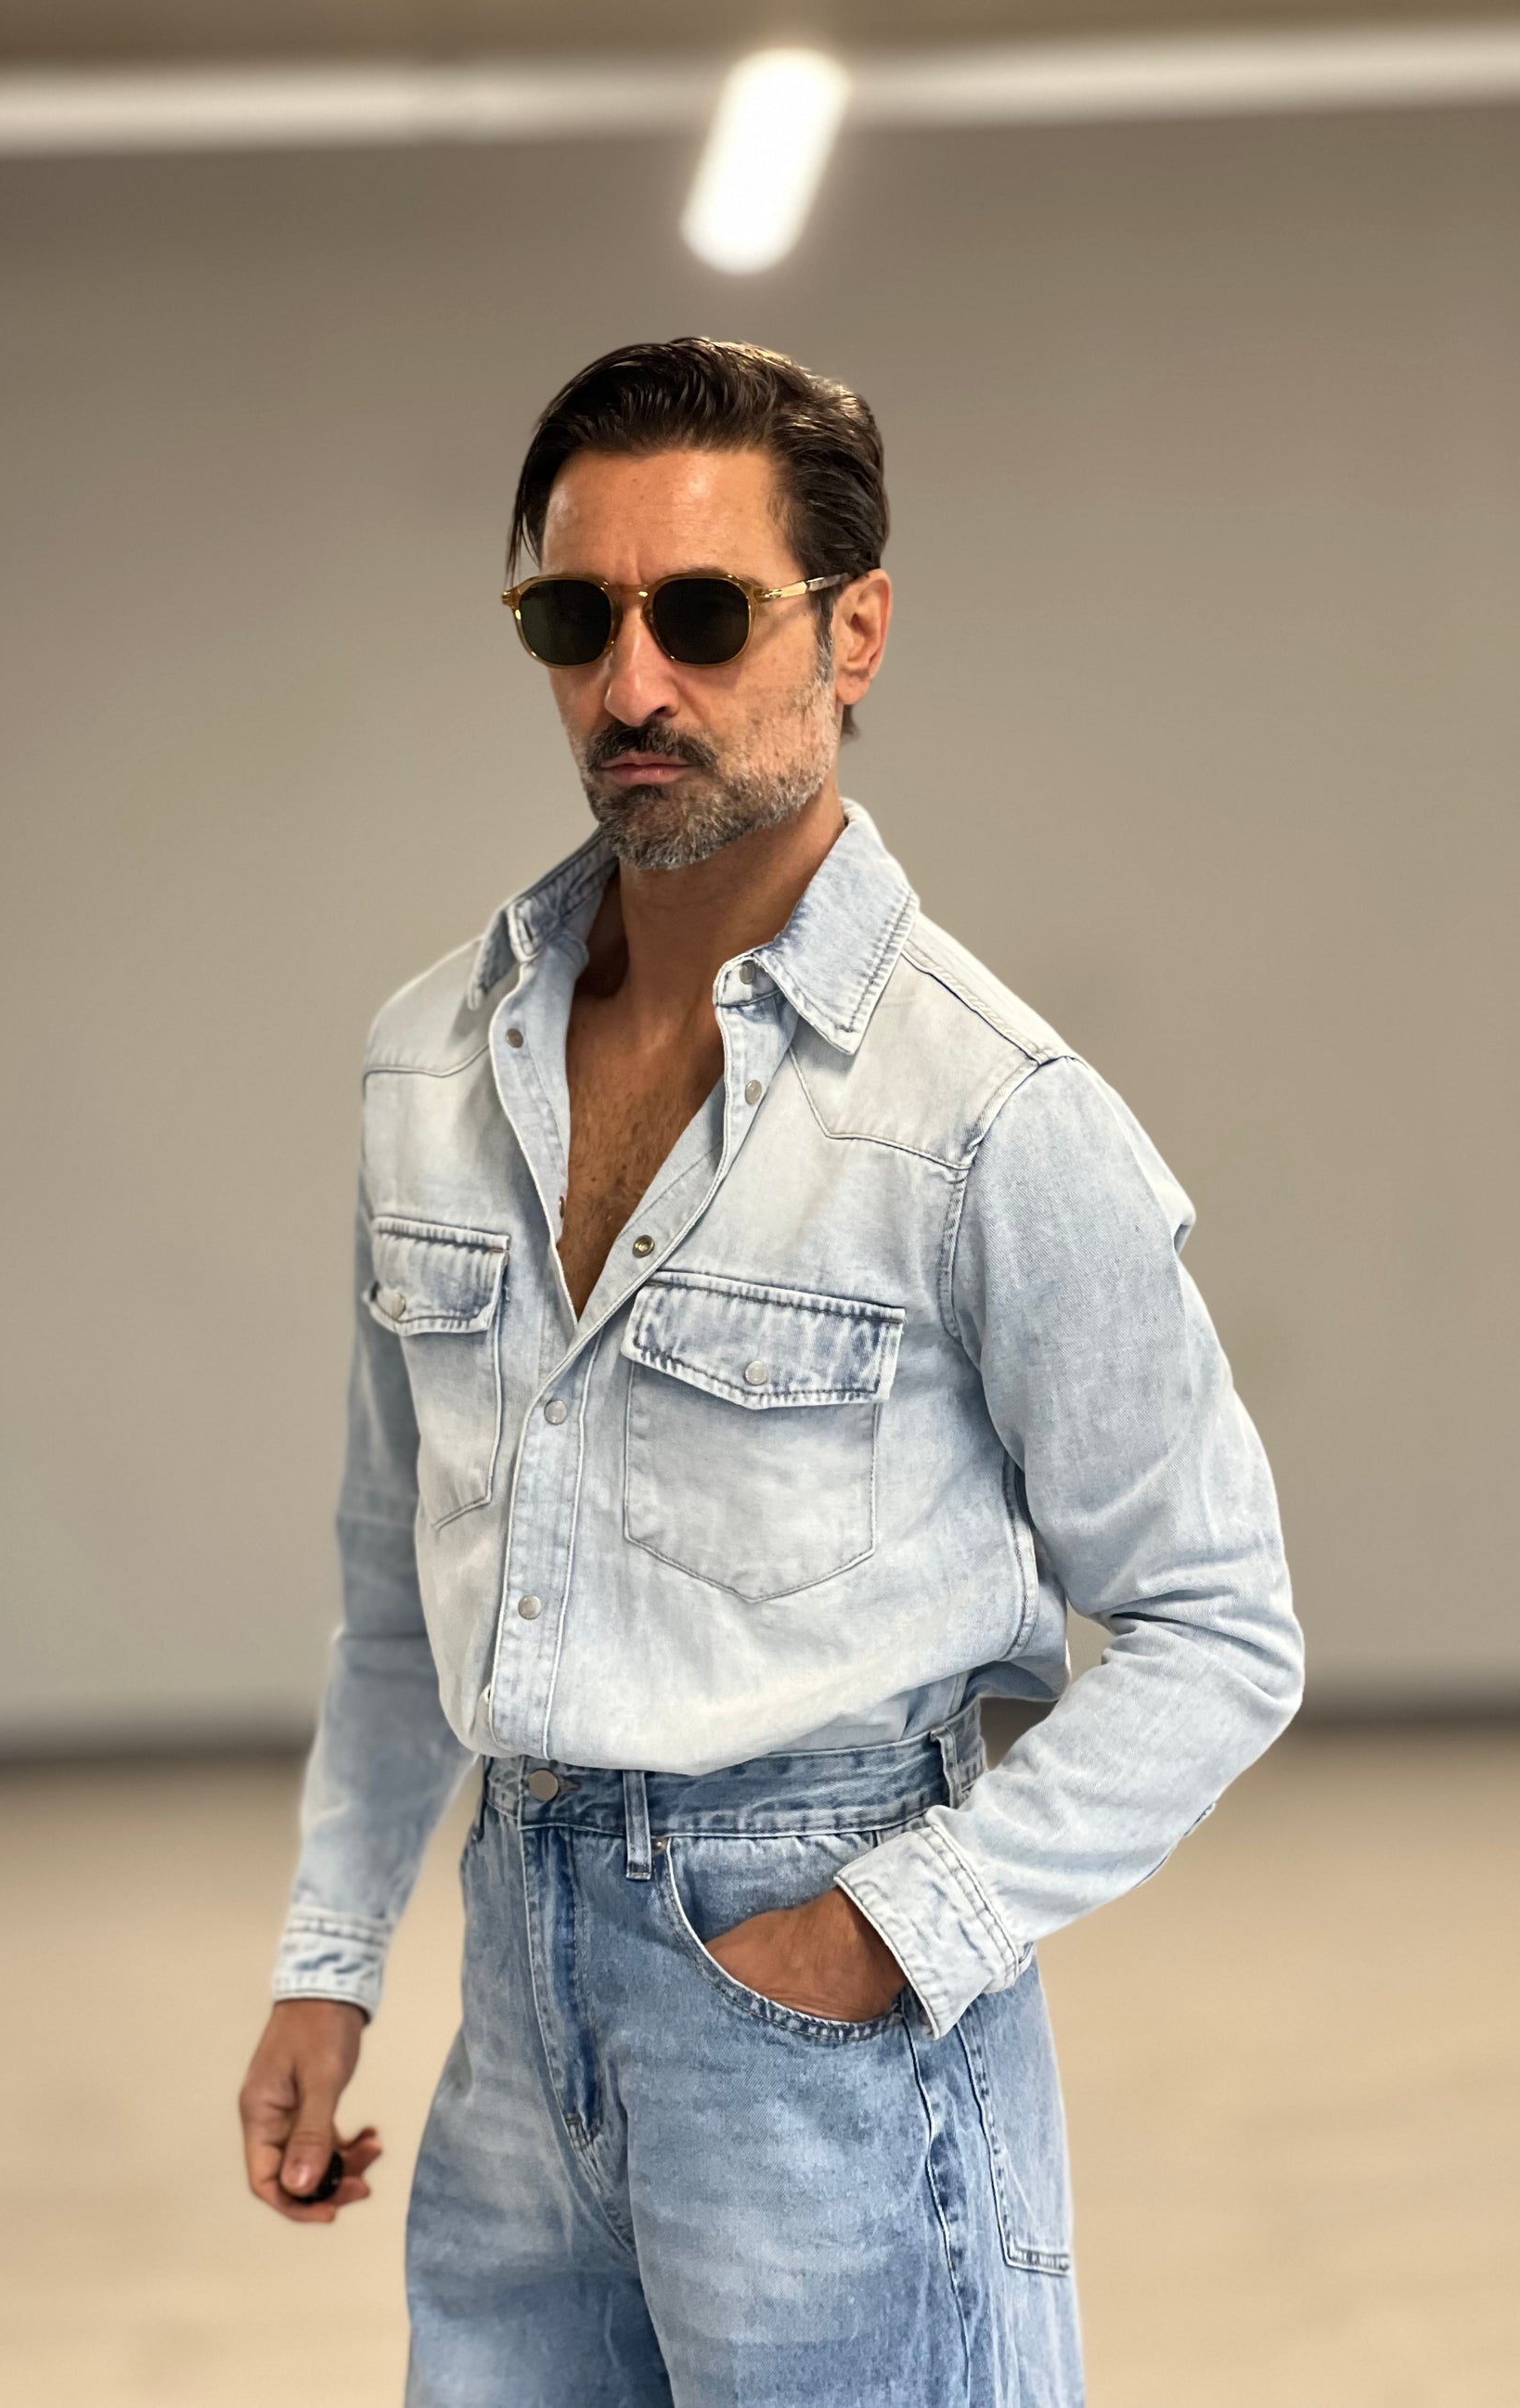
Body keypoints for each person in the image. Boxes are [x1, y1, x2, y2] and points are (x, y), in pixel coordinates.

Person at [238, 337, 1302, 2406]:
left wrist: (880, 1932)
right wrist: (331, 1956)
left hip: (816, 1995)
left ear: (854, 629)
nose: (630, 685)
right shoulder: (427, 1065)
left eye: (705, 614)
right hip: (515, 1990)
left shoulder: (985, 1114)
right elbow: (393, 1576)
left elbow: (1219, 1625)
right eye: (574, 620)